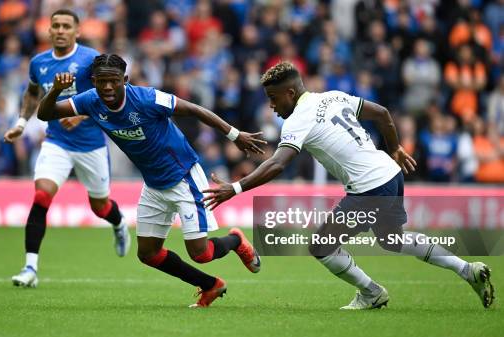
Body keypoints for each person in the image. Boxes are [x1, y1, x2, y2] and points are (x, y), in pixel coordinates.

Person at [203, 61, 494, 310]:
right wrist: (394, 148)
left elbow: (278, 164)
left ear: (290, 93)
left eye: (274, 98)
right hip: (390, 174)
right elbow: (382, 113)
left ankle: (371, 293)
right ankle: (467, 270)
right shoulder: (333, 97)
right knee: (392, 239)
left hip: (369, 188)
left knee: (321, 246)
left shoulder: (297, 121)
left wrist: (236, 188)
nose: (271, 105)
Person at [37, 54, 265, 308]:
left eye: (114, 81)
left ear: (125, 79)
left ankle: (235, 240)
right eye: (102, 81)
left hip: (183, 177)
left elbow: (193, 109)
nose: (108, 87)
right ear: (94, 81)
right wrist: (56, 90)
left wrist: (234, 135)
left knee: (201, 254)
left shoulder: (147, 98)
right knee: (148, 254)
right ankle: (211, 285)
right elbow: (45, 113)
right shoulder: (90, 100)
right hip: (154, 184)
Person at [3, 9, 130, 288]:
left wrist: (82, 114)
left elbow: (106, 94)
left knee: (100, 207)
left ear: (77, 31)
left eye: (65, 26)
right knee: (41, 196)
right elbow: (32, 94)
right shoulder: (39, 62)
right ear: (48, 31)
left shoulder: (89, 60)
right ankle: (30, 268)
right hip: (56, 141)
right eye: (56, 26)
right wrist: (21, 123)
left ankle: (119, 224)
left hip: (91, 144)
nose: (60, 30)